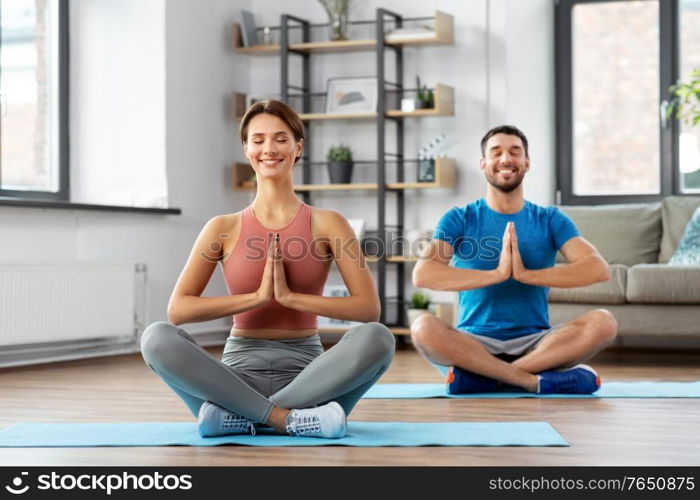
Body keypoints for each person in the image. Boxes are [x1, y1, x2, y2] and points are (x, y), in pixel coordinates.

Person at [140, 100, 395, 439]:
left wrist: (291, 298)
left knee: (379, 338)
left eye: (280, 138)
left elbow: (368, 309)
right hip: (236, 375)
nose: (269, 149)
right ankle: (287, 420)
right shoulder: (222, 227)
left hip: (311, 377)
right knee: (155, 337)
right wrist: (255, 298)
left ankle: (242, 417)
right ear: (246, 149)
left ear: (298, 146)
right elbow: (178, 311)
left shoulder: (328, 223)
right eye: (258, 140)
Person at [410, 125, 617, 395]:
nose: (506, 159)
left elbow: (597, 269)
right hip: (473, 341)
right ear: (484, 164)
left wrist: (525, 275)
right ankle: (531, 380)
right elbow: (424, 274)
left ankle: (487, 377)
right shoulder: (460, 218)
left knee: (604, 323)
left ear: (527, 163)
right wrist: (496, 274)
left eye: (515, 152)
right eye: (496, 153)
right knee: (423, 327)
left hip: (537, 343)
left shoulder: (550, 219)